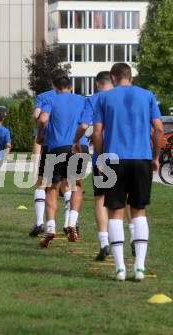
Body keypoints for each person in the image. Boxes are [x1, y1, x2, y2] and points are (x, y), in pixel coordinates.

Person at [92, 63, 163, 281]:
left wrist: (102, 158)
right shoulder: (147, 95)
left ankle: (120, 268)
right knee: (139, 211)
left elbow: (97, 133)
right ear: (130, 77)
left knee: (115, 211)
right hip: (141, 158)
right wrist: (156, 157)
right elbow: (159, 129)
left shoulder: (102, 98)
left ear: (113, 78)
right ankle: (139, 267)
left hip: (113, 158)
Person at [36, 72, 88, 247]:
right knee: (75, 186)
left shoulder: (51, 99)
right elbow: (86, 124)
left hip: (55, 148)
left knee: (51, 188)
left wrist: (40, 135)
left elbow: (42, 119)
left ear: (56, 88)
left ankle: (50, 227)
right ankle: (71, 222)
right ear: (70, 87)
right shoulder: (81, 100)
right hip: (77, 147)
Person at [73, 71, 113, 261]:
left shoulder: (94, 100)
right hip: (129, 154)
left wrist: (76, 140)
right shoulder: (126, 96)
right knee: (128, 200)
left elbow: (84, 126)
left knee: (101, 198)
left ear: (97, 84)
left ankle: (105, 241)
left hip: (103, 153)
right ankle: (132, 238)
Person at [29, 78, 73, 238]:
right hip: (71, 144)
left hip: (51, 144)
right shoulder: (75, 98)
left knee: (43, 184)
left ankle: (41, 222)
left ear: (53, 82)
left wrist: (41, 131)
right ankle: (70, 222)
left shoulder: (45, 97)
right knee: (68, 185)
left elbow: (37, 116)